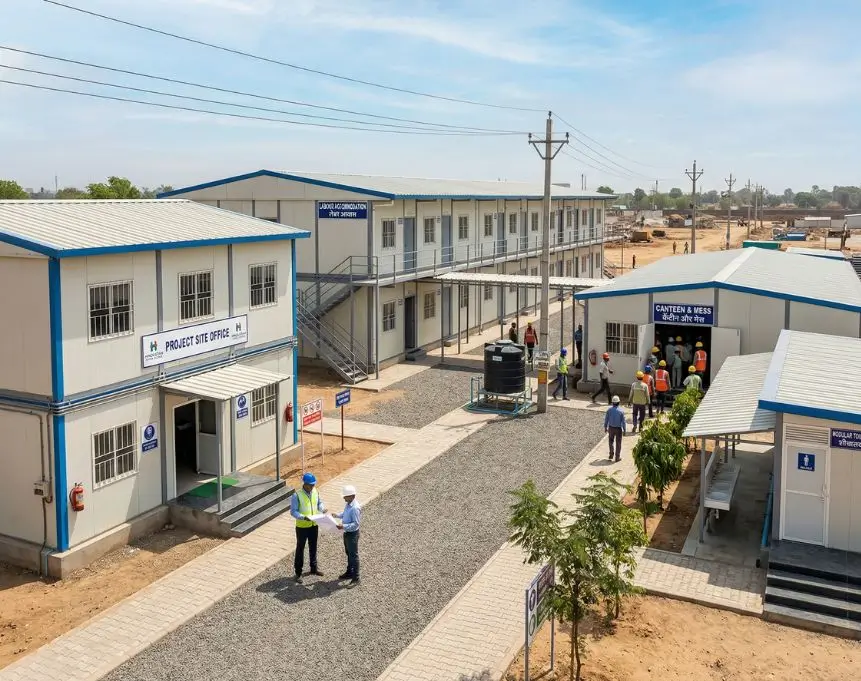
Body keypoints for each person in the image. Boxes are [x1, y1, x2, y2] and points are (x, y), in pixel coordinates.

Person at [290, 472, 326, 583]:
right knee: (300, 548)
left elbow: (319, 503)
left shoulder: (315, 491)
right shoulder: (297, 495)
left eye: (313, 485)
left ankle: (314, 568)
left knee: (313, 546)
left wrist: (322, 509)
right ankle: (298, 573)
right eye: (311, 485)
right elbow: (293, 511)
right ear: (305, 484)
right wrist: (303, 517)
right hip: (302, 527)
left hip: (314, 524)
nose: (312, 487)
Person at [333, 484, 362, 586]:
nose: (343, 498)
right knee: (349, 553)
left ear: (352, 496)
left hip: (352, 534)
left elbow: (356, 524)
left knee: (353, 555)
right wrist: (337, 515)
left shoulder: (355, 508)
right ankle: (350, 572)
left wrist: (343, 526)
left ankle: (356, 578)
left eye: (345, 496)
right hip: (347, 533)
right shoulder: (349, 504)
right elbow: (345, 513)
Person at [604, 395, 626, 462]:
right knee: (618, 443)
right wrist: (624, 430)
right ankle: (617, 457)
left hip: (611, 428)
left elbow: (606, 419)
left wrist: (605, 427)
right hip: (618, 429)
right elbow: (623, 422)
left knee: (611, 441)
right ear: (619, 402)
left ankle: (611, 454)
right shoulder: (621, 411)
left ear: (612, 402)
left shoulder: (609, 410)